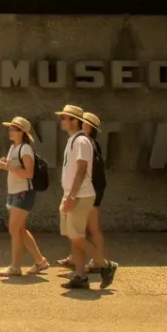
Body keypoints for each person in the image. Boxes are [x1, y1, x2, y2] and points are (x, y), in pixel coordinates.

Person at [54, 105, 116, 290]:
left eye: (64, 117)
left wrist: (71, 196)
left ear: (74, 120)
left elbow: (81, 170)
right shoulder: (73, 140)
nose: (61, 121)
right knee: (75, 237)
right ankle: (80, 276)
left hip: (80, 195)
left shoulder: (81, 141)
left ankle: (105, 265)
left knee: (77, 236)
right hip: (73, 194)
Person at [0, 116, 49, 277]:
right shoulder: (13, 148)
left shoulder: (25, 149)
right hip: (14, 192)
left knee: (14, 229)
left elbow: (29, 173)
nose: (10, 131)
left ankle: (15, 266)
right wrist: (6, 165)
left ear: (22, 132)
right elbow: (13, 167)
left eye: (13, 129)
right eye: (10, 128)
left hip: (23, 193)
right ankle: (40, 262)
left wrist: (8, 167)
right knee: (19, 229)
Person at [82, 111, 117, 283]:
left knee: (91, 228)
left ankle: (100, 262)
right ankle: (95, 261)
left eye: (83, 122)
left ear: (89, 127)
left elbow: (89, 171)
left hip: (92, 190)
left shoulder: (89, 143)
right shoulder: (91, 143)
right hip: (94, 189)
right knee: (90, 228)